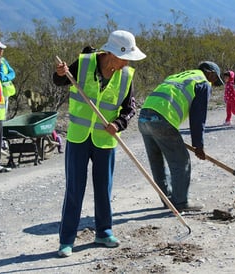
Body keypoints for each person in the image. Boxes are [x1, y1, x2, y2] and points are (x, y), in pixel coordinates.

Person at [53, 30, 146, 257]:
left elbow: (129, 108)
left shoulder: (126, 75)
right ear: (112, 53)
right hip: (79, 137)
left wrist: (119, 123)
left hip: (105, 140)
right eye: (125, 57)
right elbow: (60, 81)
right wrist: (59, 73)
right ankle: (67, 240)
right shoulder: (84, 63)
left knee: (104, 188)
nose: (128, 62)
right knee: (75, 189)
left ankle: (103, 231)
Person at [138, 61, 223, 213]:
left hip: (144, 117)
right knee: (181, 161)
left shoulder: (180, 76)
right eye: (215, 79)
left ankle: (168, 200)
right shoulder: (202, 82)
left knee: (157, 162)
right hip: (162, 119)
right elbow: (198, 117)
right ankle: (181, 202)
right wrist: (198, 145)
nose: (213, 83)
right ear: (211, 73)